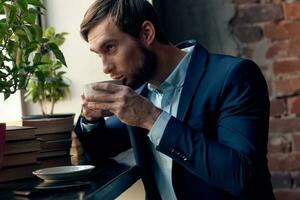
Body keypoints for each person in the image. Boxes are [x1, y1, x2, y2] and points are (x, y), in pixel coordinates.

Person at [74, 0, 275, 199]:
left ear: (146, 33)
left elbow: (242, 176)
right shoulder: (140, 95)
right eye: (98, 54)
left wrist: (152, 119)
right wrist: (90, 120)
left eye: (110, 48)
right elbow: (102, 149)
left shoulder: (233, 76)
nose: (105, 67)